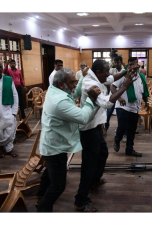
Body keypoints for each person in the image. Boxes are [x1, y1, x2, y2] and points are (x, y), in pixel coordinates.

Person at [74, 59, 138, 212]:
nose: (109, 74)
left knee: (103, 153)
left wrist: (126, 72)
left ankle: (94, 181)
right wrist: (124, 86)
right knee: (88, 165)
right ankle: (80, 201)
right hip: (88, 130)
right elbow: (107, 103)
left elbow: (111, 78)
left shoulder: (97, 76)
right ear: (98, 73)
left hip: (95, 128)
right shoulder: (90, 84)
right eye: (106, 71)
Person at [35, 68, 101, 212]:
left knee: (50, 172)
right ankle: (42, 211)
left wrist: (82, 78)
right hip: (54, 148)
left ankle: (40, 196)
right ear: (61, 84)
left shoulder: (54, 90)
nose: (74, 86)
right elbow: (83, 118)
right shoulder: (59, 101)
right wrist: (90, 100)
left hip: (54, 143)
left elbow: (75, 92)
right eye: (72, 82)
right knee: (58, 186)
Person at [112, 57, 149, 157]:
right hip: (123, 107)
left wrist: (147, 102)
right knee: (123, 127)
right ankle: (117, 139)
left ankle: (129, 149)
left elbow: (143, 91)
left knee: (132, 130)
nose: (132, 66)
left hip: (135, 107)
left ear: (138, 64)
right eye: (130, 64)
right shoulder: (124, 75)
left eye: (134, 64)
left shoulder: (141, 76)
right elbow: (112, 87)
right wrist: (119, 98)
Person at [104, 56, 124, 135]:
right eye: (115, 62)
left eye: (118, 62)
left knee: (120, 116)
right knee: (108, 114)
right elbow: (107, 77)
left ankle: (121, 132)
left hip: (121, 96)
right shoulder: (112, 70)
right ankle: (105, 128)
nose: (116, 64)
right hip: (112, 95)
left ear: (121, 62)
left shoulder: (124, 71)